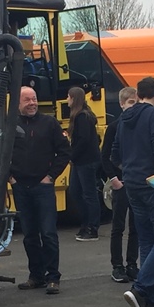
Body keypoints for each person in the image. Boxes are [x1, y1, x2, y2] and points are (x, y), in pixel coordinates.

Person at [111, 76, 154, 307]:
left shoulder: (124, 118)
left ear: (138, 95)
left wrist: (130, 170)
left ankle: (151, 300)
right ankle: (139, 289)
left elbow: (114, 155)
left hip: (132, 184)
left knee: (147, 239)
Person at [10, 86, 70, 295]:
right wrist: (10, 178)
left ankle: (53, 277)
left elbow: (64, 151)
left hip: (43, 187)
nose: (32, 103)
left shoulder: (49, 123)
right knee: (29, 235)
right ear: (17, 103)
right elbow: (0, 153)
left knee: (48, 233)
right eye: (27, 100)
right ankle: (36, 276)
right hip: (21, 187)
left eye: (34, 99)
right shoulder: (10, 125)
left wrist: (51, 176)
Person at [101, 86, 139, 283]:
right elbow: (105, 156)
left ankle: (132, 264)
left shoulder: (140, 126)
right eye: (131, 102)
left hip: (136, 183)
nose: (134, 106)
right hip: (121, 183)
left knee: (136, 226)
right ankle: (117, 265)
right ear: (122, 104)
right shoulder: (114, 127)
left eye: (137, 102)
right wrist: (113, 179)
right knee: (118, 226)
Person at [67, 86, 101, 242]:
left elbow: (83, 140)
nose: (67, 100)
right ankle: (86, 223)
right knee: (76, 191)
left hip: (85, 161)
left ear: (74, 98)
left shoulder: (82, 117)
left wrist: (72, 156)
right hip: (82, 160)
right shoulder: (84, 115)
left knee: (88, 194)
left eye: (69, 97)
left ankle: (92, 228)